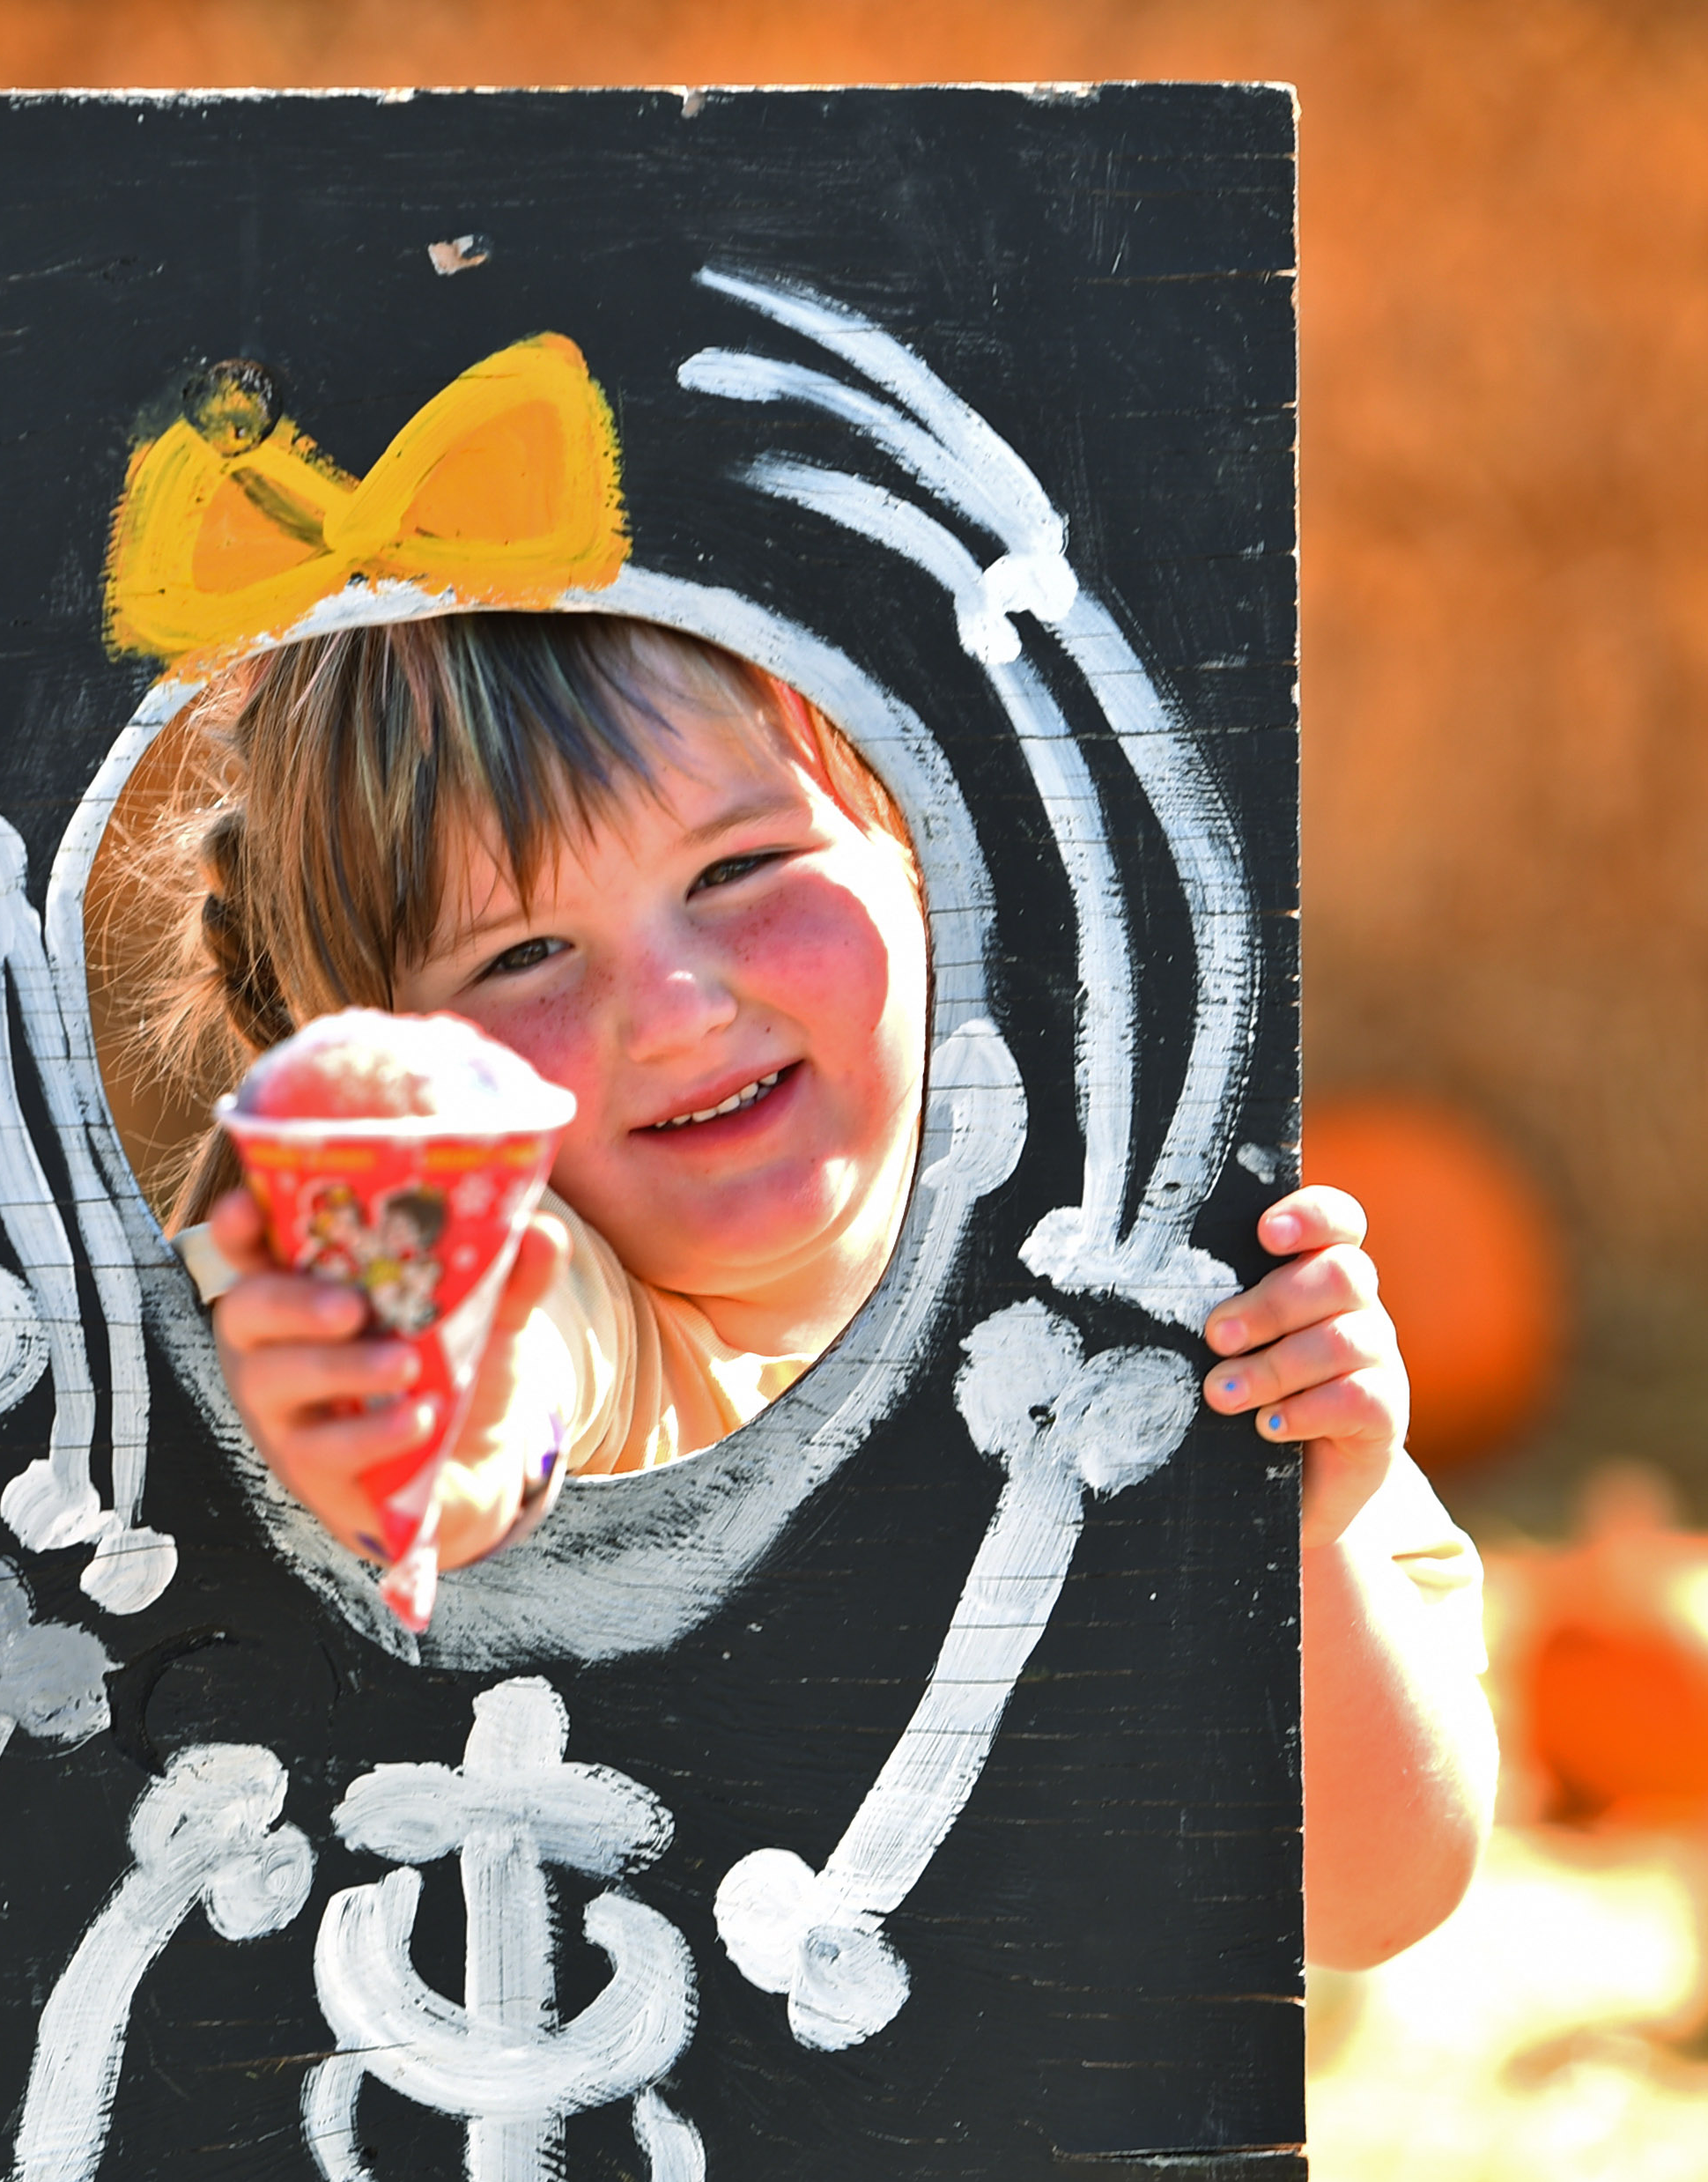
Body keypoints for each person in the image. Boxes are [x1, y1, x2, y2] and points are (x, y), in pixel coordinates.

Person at [166, 610, 1494, 1968]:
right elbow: (512, 1326)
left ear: (932, 863)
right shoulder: (597, 1317)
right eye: (520, 956)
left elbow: (1378, 1899)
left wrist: (1298, 1545)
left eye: (740, 865)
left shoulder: (1161, 1304)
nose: (675, 1007)